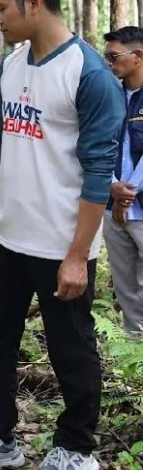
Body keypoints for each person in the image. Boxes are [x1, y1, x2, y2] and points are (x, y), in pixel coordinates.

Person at [0, 0, 122, 470]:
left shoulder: (88, 73)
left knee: (70, 347)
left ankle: (77, 446)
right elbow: (4, 139)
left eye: (2, 8)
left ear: (33, 3)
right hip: (7, 235)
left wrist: (77, 256)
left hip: (60, 243)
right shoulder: (12, 64)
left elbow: (97, 171)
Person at [102, 25, 143, 339]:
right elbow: (94, 144)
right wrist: (112, 187)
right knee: (125, 284)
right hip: (111, 205)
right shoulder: (108, 96)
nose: (110, 63)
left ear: (138, 56)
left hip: (136, 203)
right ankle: (134, 351)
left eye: (114, 57)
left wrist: (128, 192)